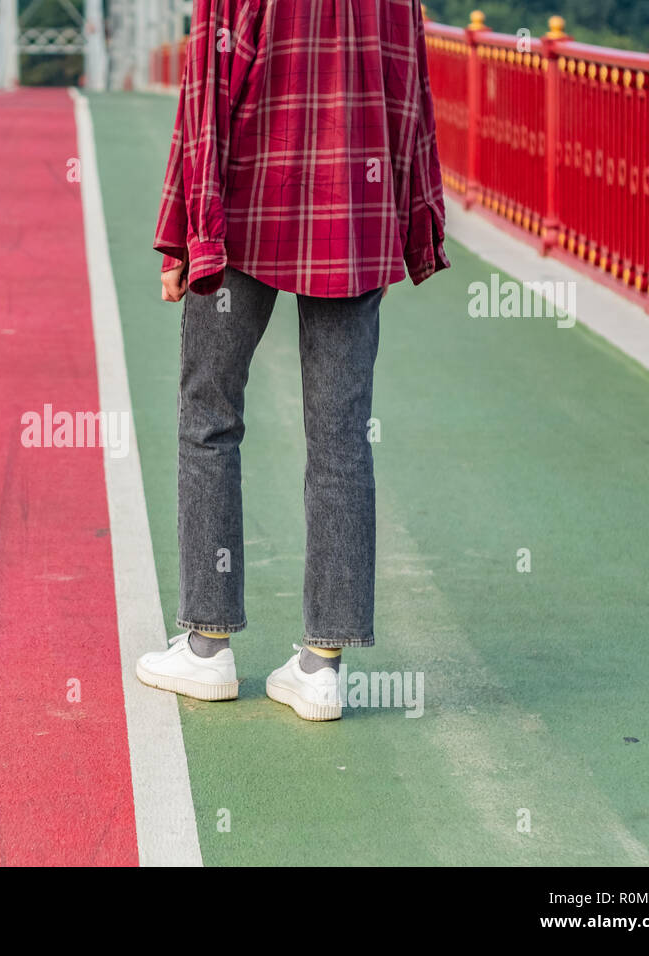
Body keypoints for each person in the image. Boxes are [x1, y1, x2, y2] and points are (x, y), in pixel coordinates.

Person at [135, 0, 450, 720]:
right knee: (342, 435)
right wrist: (416, 221)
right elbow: (412, 99)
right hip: (356, 221)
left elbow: (207, 98)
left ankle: (207, 646)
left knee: (209, 414)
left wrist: (184, 230)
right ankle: (322, 667)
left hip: (247, 213)